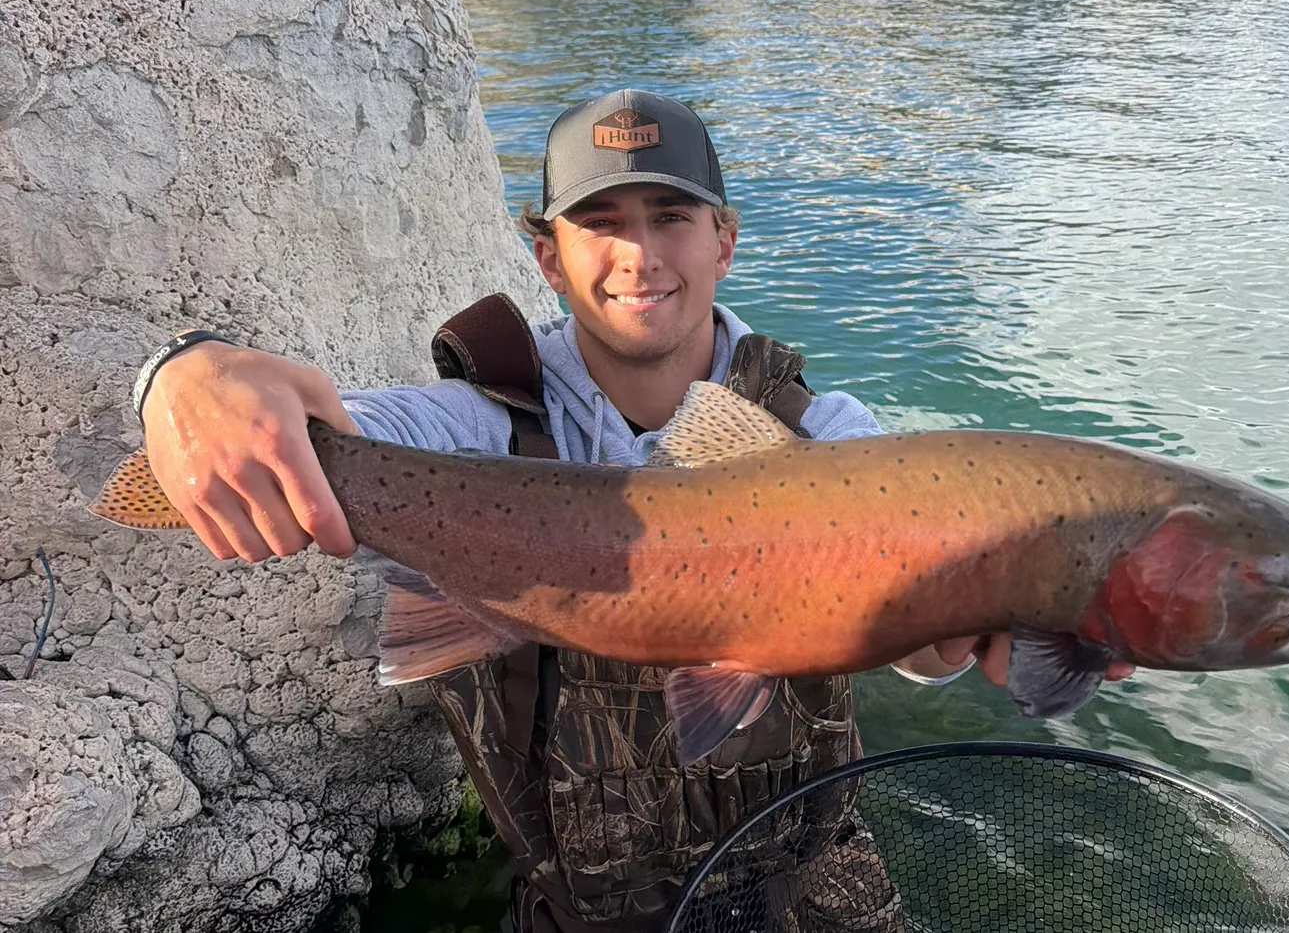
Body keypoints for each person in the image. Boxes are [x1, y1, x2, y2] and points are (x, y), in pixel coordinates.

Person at [137, 88, 1130, 930]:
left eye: (671, 217)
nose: (640, 256)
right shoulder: (479, 425)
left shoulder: (833, 435)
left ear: (725, 242)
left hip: (813, 873)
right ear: (546, 257)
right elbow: (308, 430)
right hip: (580, 901)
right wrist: (185, 373)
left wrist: (953, 636)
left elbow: (912, 649)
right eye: (602, 224)